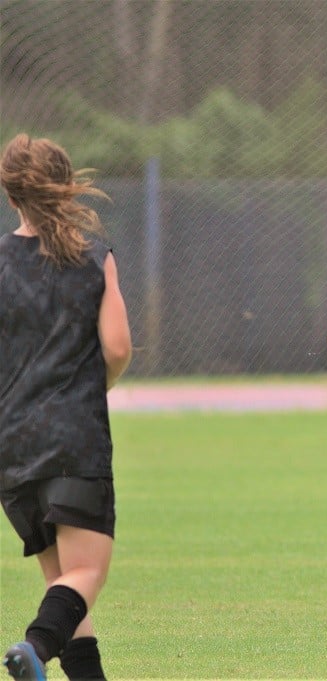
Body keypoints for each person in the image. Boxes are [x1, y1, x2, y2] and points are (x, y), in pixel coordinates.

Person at [0, 134, 132, 680]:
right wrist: (90, 387)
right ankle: (32, 648)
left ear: (11, 196)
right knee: (85, 575)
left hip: (12, 447)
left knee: (65, 589)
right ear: (66, 184)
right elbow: (119, 348)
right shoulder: (93, 259)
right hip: (74, 442)